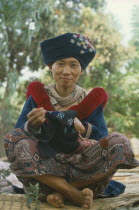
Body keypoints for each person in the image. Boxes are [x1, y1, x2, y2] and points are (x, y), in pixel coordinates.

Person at [4, 33, 139, 209]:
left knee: (119, 142)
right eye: (60, 64)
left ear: (81, 71)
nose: (66, 71)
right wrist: (33, 125)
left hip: (81, 167)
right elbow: (18, 133)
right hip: (45, 167)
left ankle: (61, 192)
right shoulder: (37, 98)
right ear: (50, 67)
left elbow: (102, 138)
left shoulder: (89, 102)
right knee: (14, 138)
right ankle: (73, 192)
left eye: (73, 65)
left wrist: (84, 127)